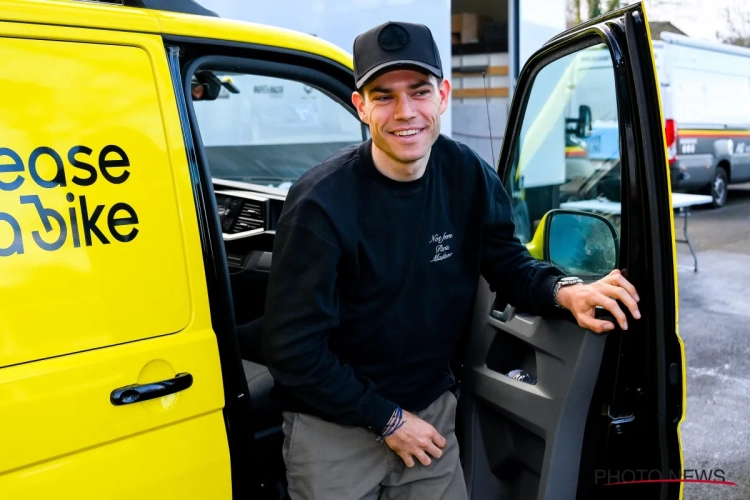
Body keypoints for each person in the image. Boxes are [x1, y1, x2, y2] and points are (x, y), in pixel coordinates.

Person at [261, 21, 641, 500]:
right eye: (383, 96)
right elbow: (292, 350)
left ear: (442, 95)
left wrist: (565, 291)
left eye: (419, 92)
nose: (405, 113)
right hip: (334, 428)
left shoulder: (465, 174)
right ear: (361, 106)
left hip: (429, 413)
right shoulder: (320, 203)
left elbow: (505, 261)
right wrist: (388, 420)